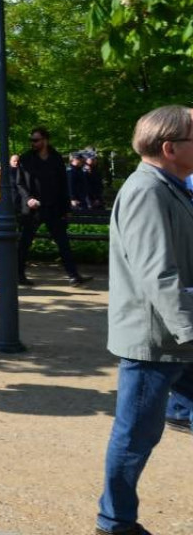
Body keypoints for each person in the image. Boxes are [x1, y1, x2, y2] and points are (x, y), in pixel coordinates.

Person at [94, 105, 193, 535]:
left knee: (139, 432)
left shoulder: (169, 186)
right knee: (135, 435)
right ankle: (114, 521)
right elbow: (159, 273)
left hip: (175, 334)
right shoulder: (146, 191)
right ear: (170, 148)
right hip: (157, 340)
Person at [17, 127, 90, 288]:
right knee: (25, 242)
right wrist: (28, 199)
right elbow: (19, 183)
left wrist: (66, 209)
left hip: (53, 208)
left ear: (45, 140)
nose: (33, 143)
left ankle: (73, 276)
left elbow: (63, 184)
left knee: (63, 243)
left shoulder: (56, 158)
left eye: (36, 140)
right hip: (33, 209)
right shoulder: (26, 158)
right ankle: (19, 274)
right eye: (31, 140)